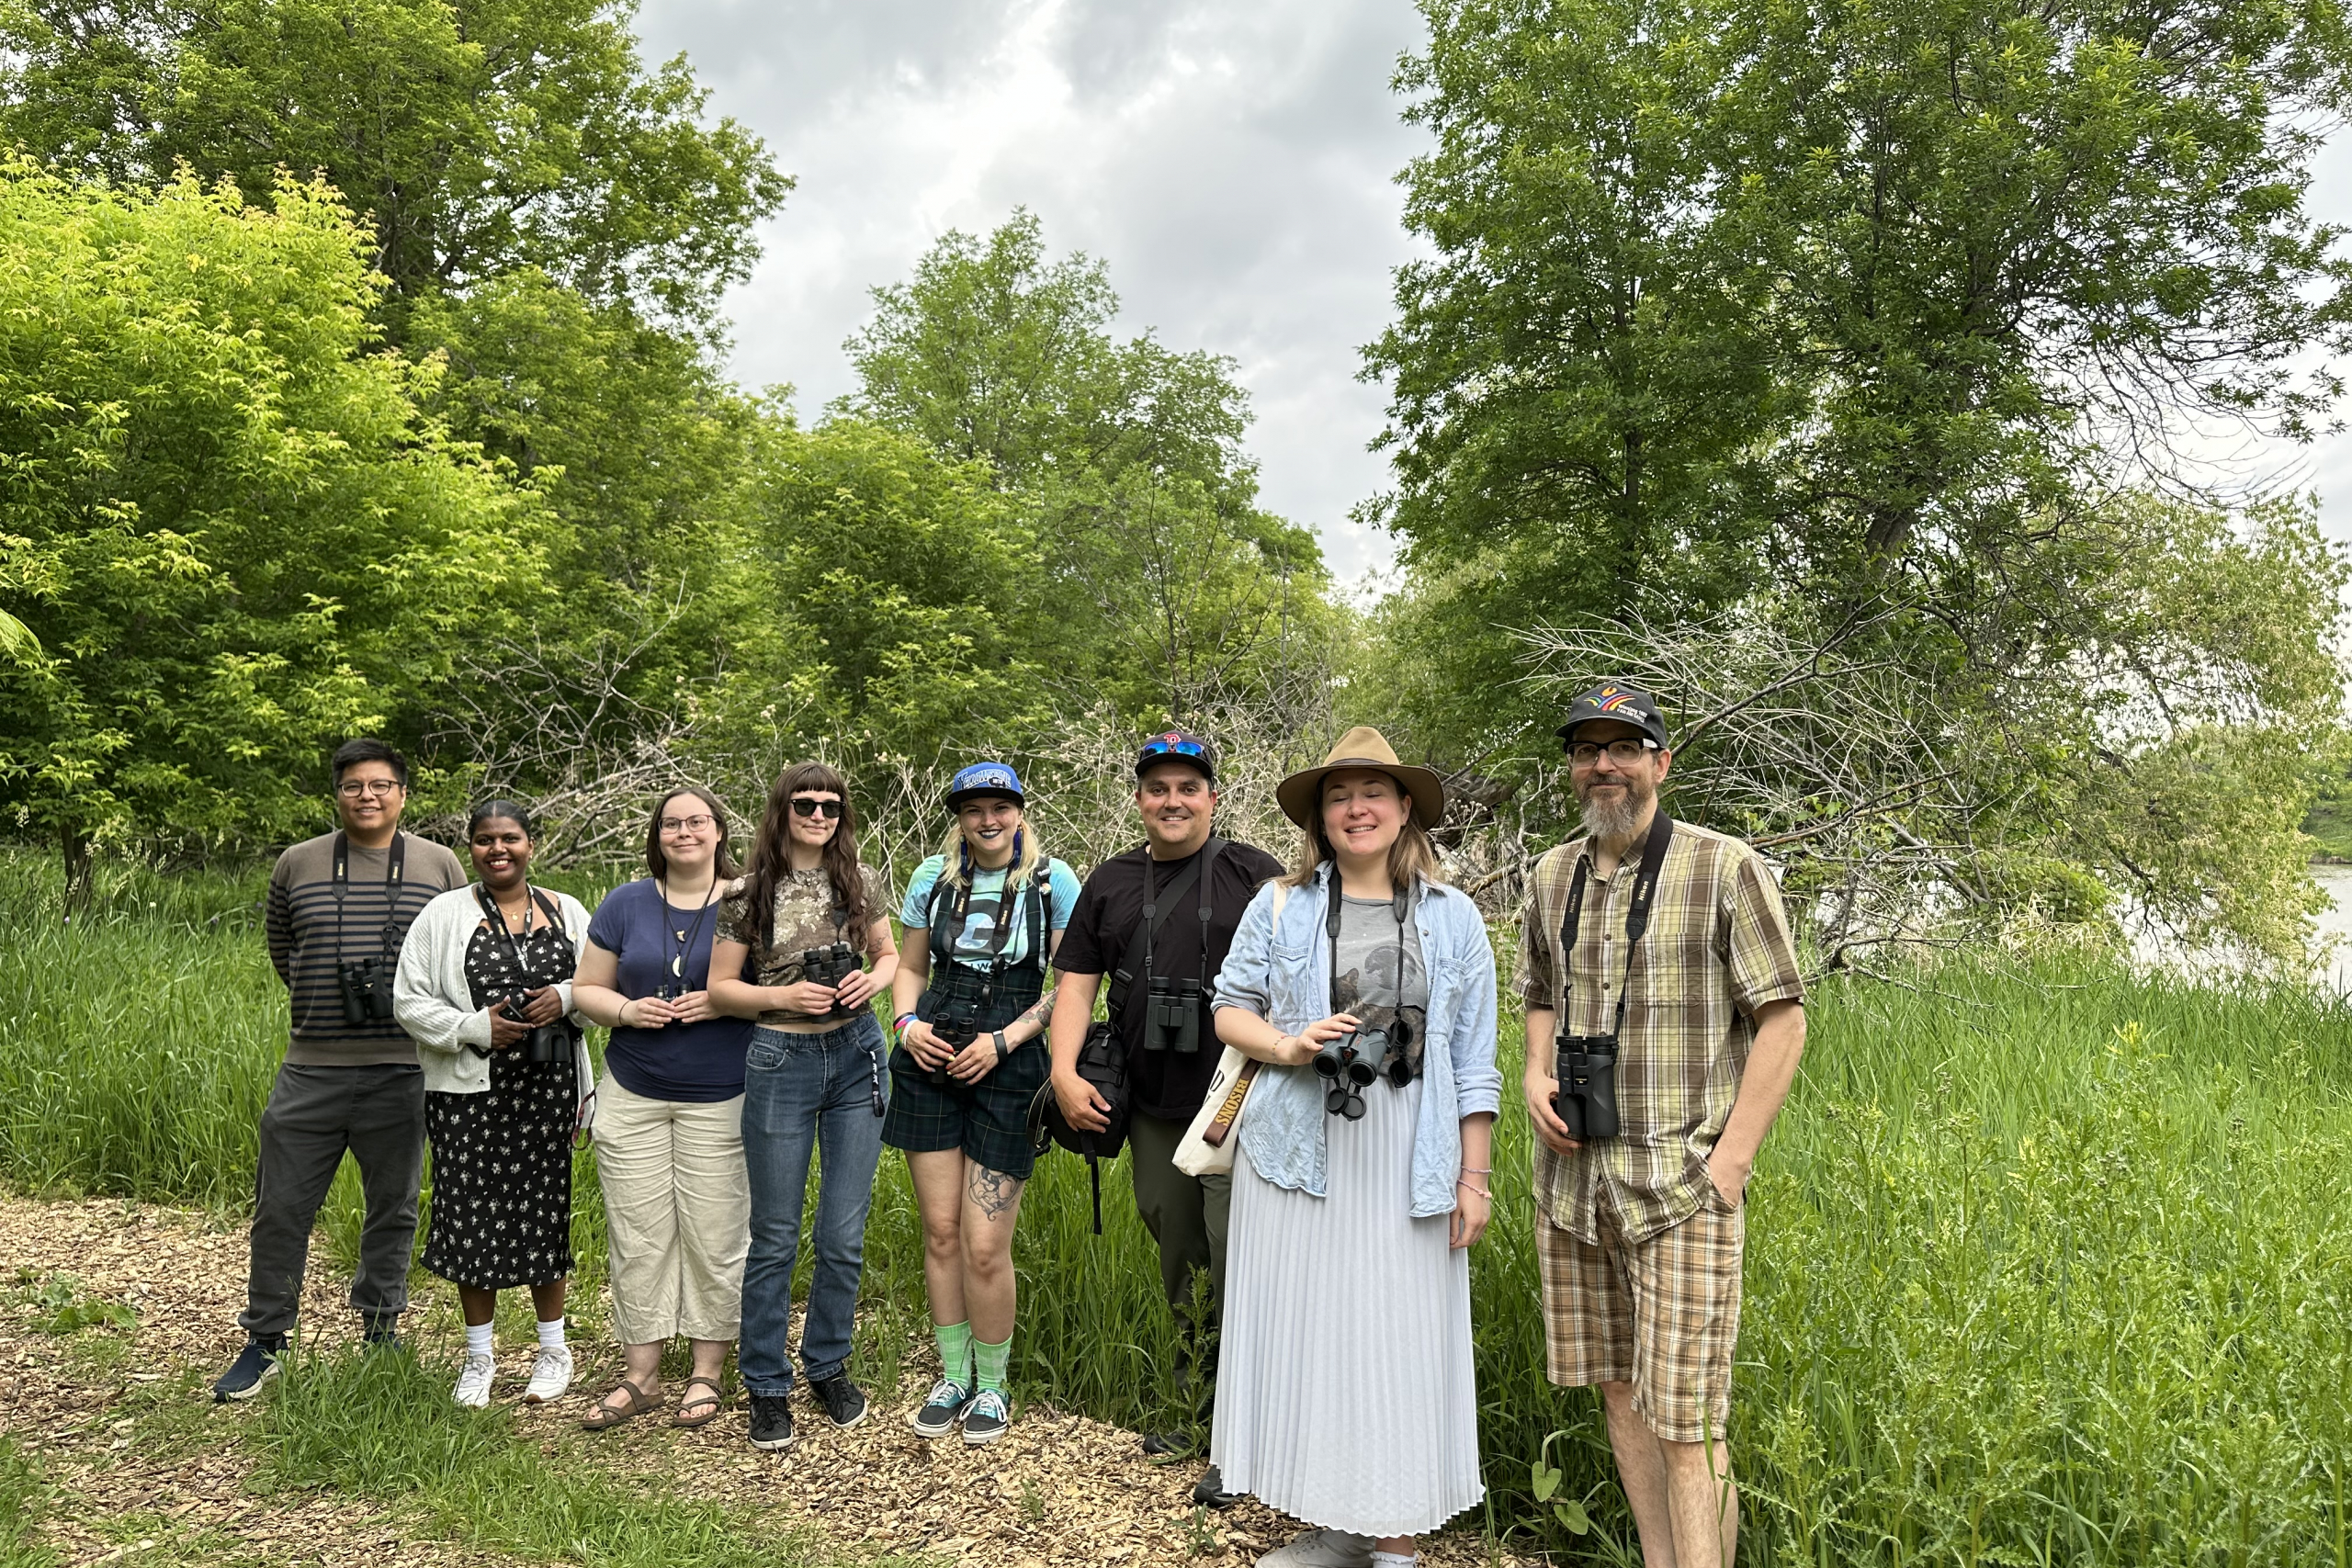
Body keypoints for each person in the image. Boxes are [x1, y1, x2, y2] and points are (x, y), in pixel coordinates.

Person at [1520, 684, 1806, 1568]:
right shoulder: (1549, 875)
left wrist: (1730, 1164)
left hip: (1682, 1188)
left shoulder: (1725, 866)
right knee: (1618, 1392)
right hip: (1574, 1189)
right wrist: (1534, 1070)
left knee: (1689, 1422)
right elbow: (1536, 994)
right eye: (1587, 748)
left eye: (1625, 746)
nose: (1604, 763)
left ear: (1661, 762)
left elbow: (1783, 1019)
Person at [1205, 727, 1499, 1568]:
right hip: (1302, 1148)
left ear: (1406, 808)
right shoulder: (1279, 904)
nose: (1357, 807)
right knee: (1320, 1335)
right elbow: (1230, 1008)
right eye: (1340, 794)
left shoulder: (1454, 918)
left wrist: (1472, 1177)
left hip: (1412, 1151)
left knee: (1399, 1337)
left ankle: (1397, 1540)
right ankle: (1339, 1522)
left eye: (1374, 791)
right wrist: (1292, 1044)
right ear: (1320, 816)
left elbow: (1474, 1057)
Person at [1047, 730, 1283, 1502]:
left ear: (1214, 796)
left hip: (1242, 1096)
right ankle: (1197, 1407)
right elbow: (1077, 986)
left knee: (1243, 1254)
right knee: (1181, 1254)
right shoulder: (1111, 881)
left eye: (1189, 787)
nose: (1173, 801)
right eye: (1158, 788)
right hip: (1151, 1101)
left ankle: (1255, 1430)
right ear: (1140, 799)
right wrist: (1062, 1073)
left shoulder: (1258, 872)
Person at [210, 739, 469, 1402]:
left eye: (381, 785)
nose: (368, 797)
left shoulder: (439, 864)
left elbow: (456, 951)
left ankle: (381, 1329)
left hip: (405, 1067)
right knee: (281, 1207)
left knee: (394, 1206)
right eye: (354, 786)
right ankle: (266, 1338)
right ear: (338, 793)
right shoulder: (298, 862)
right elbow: (282, 946)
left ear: (403, 794)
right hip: (312, 1067)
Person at [886, 760, 1082, 1448]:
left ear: (1020, 811)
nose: (987, 820)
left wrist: (1005, 1040)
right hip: (932, 1050)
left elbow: (1070, 986)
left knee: (983, 1240)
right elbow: (910, 967)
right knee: (939, 1231)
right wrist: (908, 1027)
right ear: (959, 817)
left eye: (1000, 807)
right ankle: (953, 1374)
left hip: (1012, 1055)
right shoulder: (930, 879)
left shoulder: (1053, 881)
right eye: (973, 809)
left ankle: (994, 1384)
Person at [707, 762, 899, 1452]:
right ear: (782, 809)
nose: (819, 814)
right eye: (806, 803)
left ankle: (827, 1363)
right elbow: (722, 988)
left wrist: (868, 984)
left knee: (842, 1233)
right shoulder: (747, 891)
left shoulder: (861, 878)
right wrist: (784, 997)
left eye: (831, 804)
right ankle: (765, 1380)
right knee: (777, 1234)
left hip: (857, 1054)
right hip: (781, 1057)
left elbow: (890, 958)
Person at [391, 800, 594, 1408]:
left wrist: (562, 996)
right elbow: (409, 1000)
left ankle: (552, 1349)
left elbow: (601, 985)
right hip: (467, 1095)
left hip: (548, 1089)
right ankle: (479, 1357)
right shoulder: (443, 915)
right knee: (469, 1219)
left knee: (544, 1215)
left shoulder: (569, 911)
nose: (497, 849)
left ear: (531, 843)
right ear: (471, 847)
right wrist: (473, 1028)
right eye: (484, 840)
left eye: (509, 837)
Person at [569, 788, 755, 1432]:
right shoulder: (625, 901)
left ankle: (706, 1372)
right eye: (672, 823)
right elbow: (585, 987)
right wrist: (626, 1010)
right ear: (658, 834)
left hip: (723, 1091)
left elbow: (775, 988)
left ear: (718, 831)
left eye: (697, 821)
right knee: (638, 1233)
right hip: (635, 1089)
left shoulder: (747, 898)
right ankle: (641, 1373)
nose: (684, 832)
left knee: (716, 1233)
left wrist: (723, 1000)